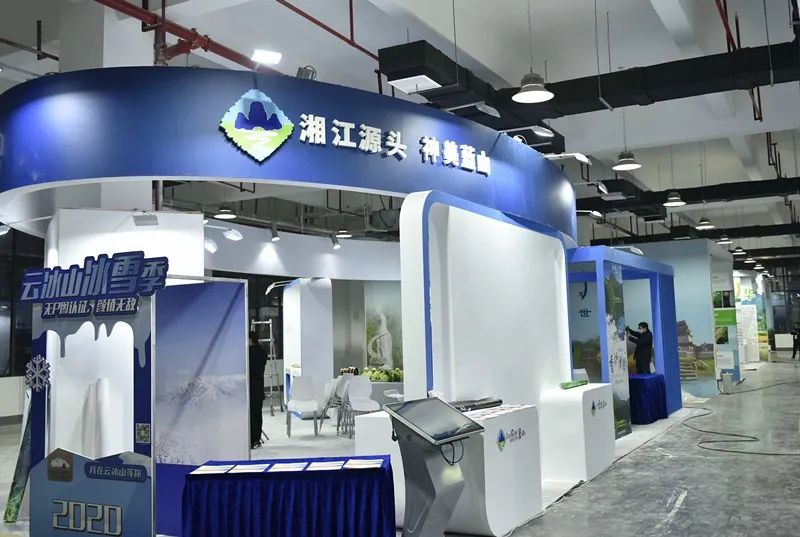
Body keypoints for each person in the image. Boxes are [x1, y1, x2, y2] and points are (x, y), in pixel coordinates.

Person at [248, 331, 268, 449]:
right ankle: (257, 439)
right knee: (258, 415)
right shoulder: (263, 351)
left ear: (250, 339)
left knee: (251, 416)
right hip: (259, 388)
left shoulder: (248, 353)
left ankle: (251, 440)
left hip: (250, 389)